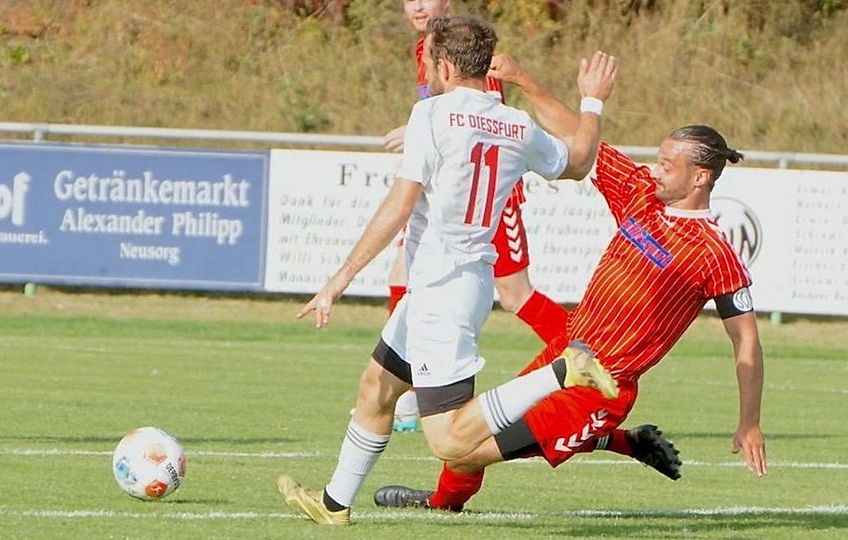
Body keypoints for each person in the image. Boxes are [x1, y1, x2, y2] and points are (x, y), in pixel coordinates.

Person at [373, 54, 767, 513]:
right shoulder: (640, 193)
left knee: (465, 449)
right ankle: (444, 504)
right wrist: (524, 79)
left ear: (700, 177)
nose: (655, 170)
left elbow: (747, 340)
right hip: (565, 353)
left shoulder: (713, 253)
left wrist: (750, 422)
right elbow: (578, 142)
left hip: (602, 386)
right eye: (657, 161)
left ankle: (614, 440)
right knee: (469, 430)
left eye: (666, 164)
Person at [277, 16, 620, 525]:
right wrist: (592, 101)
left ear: (442, 65)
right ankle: (334, 505)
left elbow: (399, 203)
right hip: (449, 284)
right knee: (377, 387)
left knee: (449, 438)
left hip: (446, 291)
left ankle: (562, 371)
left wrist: (339, 280)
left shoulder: (432, 115)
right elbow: (577, 161)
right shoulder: (517, 124)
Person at [385, 0, 571, 433]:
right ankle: (411, 387)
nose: (416, 6)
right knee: (402, 267)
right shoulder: (426, 50)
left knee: (516, 295)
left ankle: (590, 356)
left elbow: (484, 118)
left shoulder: (468, 49)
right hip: (452, 196)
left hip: (490, 199)